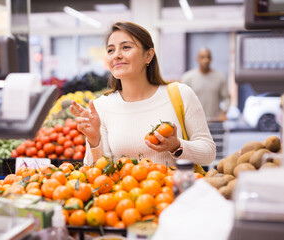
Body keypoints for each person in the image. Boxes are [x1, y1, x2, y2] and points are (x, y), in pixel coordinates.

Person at [70, 21, 216, 166]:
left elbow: (209, 152)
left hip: (175, 188)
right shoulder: (101, 107)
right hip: (126, 189)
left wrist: (176, 146)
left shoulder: (181, 95)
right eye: (110, 50)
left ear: (148, 55)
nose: (117, 55)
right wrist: (94, 141)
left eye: (126, 47)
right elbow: (96, 173)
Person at [181, 47, 230, 121]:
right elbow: (182, 100)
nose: (205, 60)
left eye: (208, 57)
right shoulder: (187, 78)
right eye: (202, 57)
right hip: (195, 122)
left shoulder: (220, 77)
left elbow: (227, 98)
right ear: (197, 59)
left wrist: (224, 113)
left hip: (215, 122)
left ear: (211, 59)